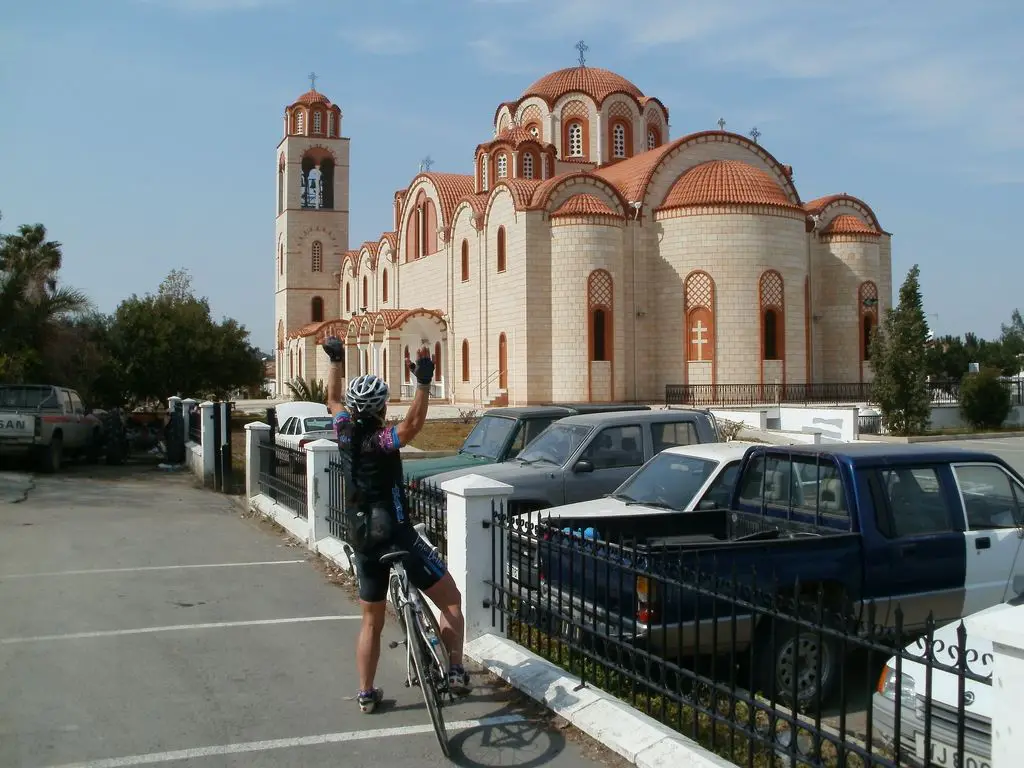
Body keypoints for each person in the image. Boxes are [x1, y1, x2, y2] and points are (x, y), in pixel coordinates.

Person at [321, 336, 470, 714]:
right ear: (381, 408)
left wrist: (336, 360)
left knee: (371, 622)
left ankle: (366, 693)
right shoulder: (381, 440)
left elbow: (332, 400)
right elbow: (414, 424)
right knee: (450, 599)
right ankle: (454, 670)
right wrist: (423, 382)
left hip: (363, 540)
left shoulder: (344, 432)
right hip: (396, 532)